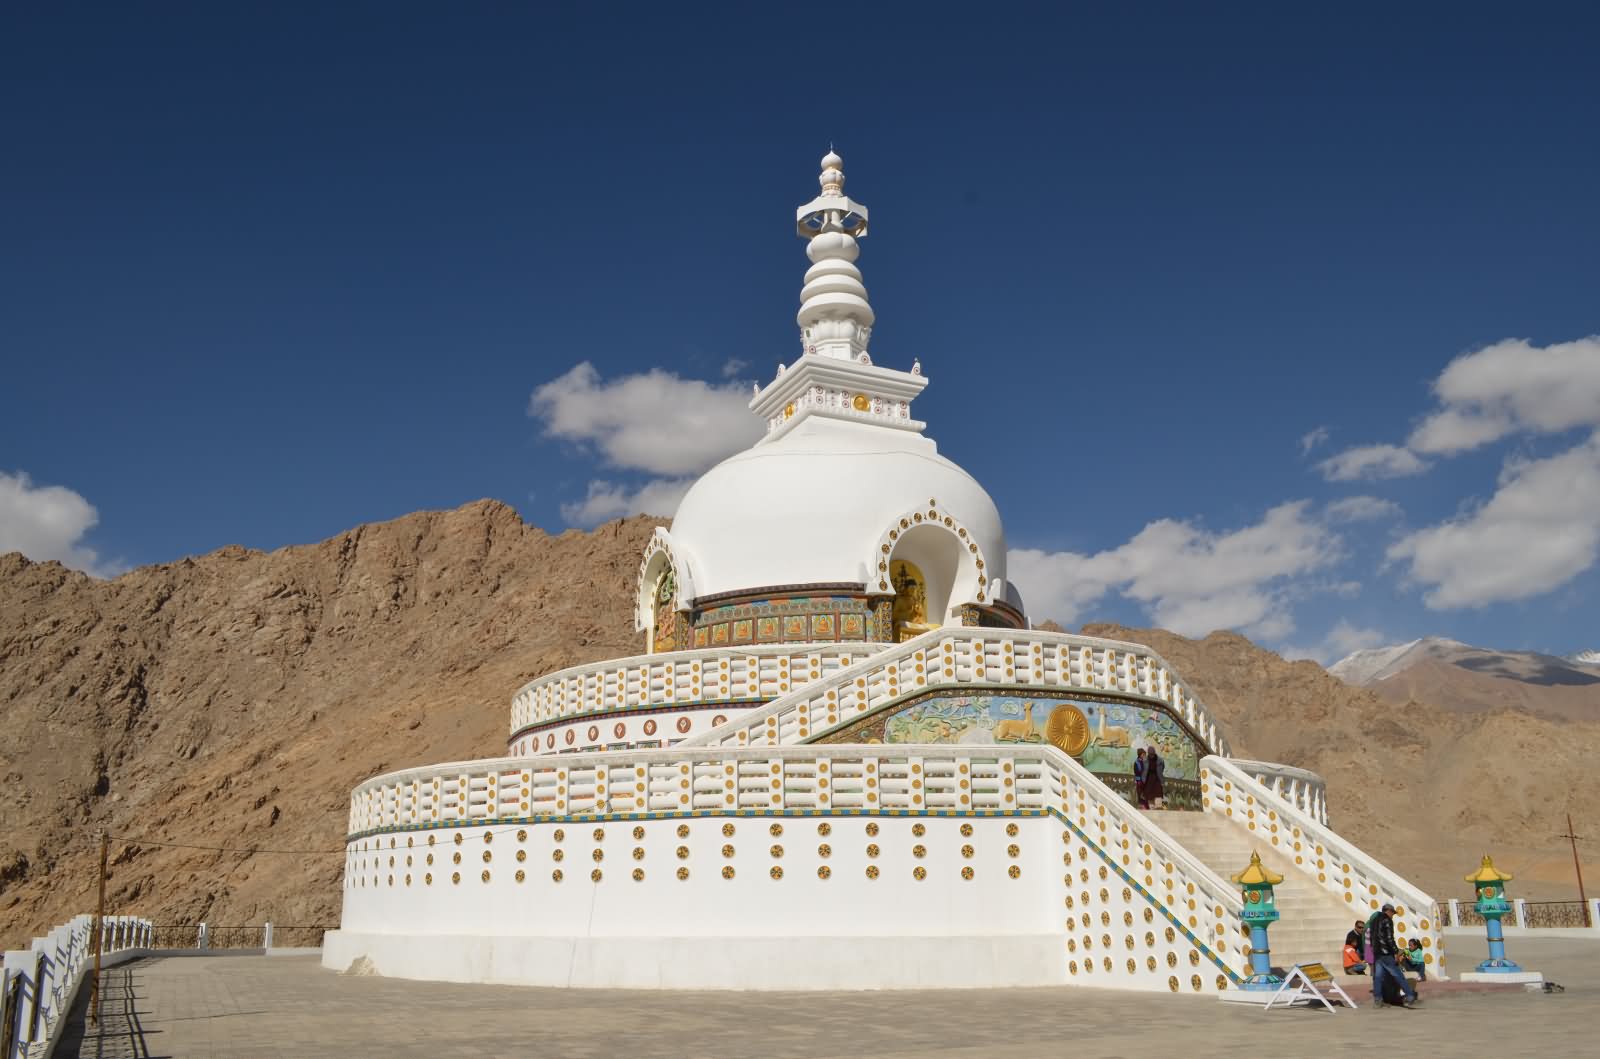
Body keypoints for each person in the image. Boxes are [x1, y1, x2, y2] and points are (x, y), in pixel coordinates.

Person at [1369, 903, 1418, 1008]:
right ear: (1389, 911)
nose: (1393, 915)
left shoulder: (1374, 921)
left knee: (1377, 977)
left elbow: (1372, 937)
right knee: (1398, 974)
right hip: (1386, 953)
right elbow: (1389, 938)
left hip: (1377, 953)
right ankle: (1410, 995)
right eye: (1392, 913)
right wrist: (1395, 951)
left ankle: (1378, 999)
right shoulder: (1387, 920)